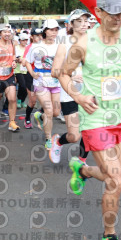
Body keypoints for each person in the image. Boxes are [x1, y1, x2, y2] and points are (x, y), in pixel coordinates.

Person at [60, 0, 121, 240]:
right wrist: (78, 97)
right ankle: (109, 234)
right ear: (98, 12)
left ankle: (83, 169)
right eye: (112, 13)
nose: (118, 18)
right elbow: (63, 74)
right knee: (115, 180)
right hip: (95, 118)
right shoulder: (83, 44)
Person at [49, 9, 91, 164]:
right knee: (74, 136)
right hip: (70, 93)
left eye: (86, 20)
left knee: (88, 130)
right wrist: (71, 76)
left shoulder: (93, 42)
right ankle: (58, 141)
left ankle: (81, 162)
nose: (84, 24)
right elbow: (54, 71)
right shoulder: (65, 43)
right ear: (71, 24)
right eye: (79, 21)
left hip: (90, 92)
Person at [26, 20, 62, 149]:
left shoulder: (60, 46)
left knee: (56, 113)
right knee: (49, 110)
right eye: (51, 29)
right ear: (45, 31)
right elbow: (27, 61)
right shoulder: (36, 47)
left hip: (56, 82)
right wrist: (32, 73)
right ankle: (48, 139)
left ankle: (39, 116)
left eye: (56, 30)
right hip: (40, 82)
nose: (54, 32)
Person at [22, 28, 43, 128]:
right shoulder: (29, 47)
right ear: (32, 37)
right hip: (31, 75)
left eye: (40, 35)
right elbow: (25, 62)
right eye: (36, 36)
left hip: (44, 76)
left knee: (47, 99)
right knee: (33, 101)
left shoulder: (46, 46)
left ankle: (41, 115)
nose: (39, 37)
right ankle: (27, 118)